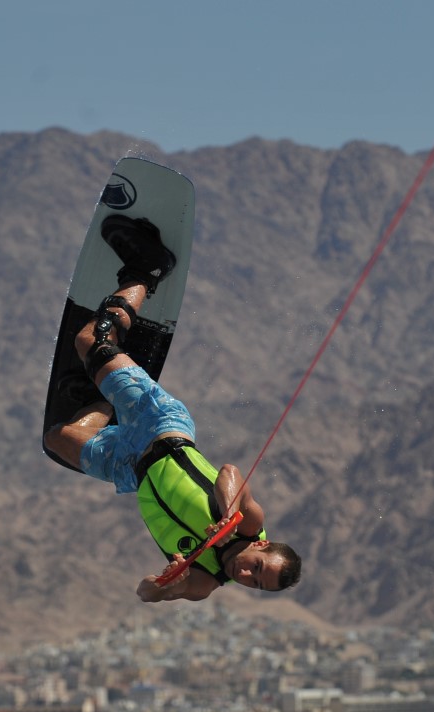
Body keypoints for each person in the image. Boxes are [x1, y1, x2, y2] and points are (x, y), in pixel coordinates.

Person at [43, 214, 302, 603]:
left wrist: (168, 582)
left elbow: (147, 593)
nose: (246, 574)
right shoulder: (250, 524)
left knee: (56, 440)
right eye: (257, 567)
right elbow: (230, 474)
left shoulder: (206, 580)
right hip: (162, 429)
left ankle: (102, 397)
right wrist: (228, 513)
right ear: (261, 546)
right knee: (89, 341)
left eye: (255, 583)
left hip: (131, 468)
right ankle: (146, 269)